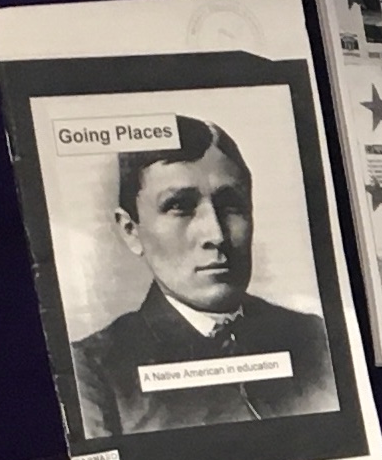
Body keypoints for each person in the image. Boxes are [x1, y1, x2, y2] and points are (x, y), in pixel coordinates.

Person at [70, 118, 337, 437]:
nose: (216, 234)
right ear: (131, 231)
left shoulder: (316, 338)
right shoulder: (94, 371)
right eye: (179, 206)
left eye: (231, 205)